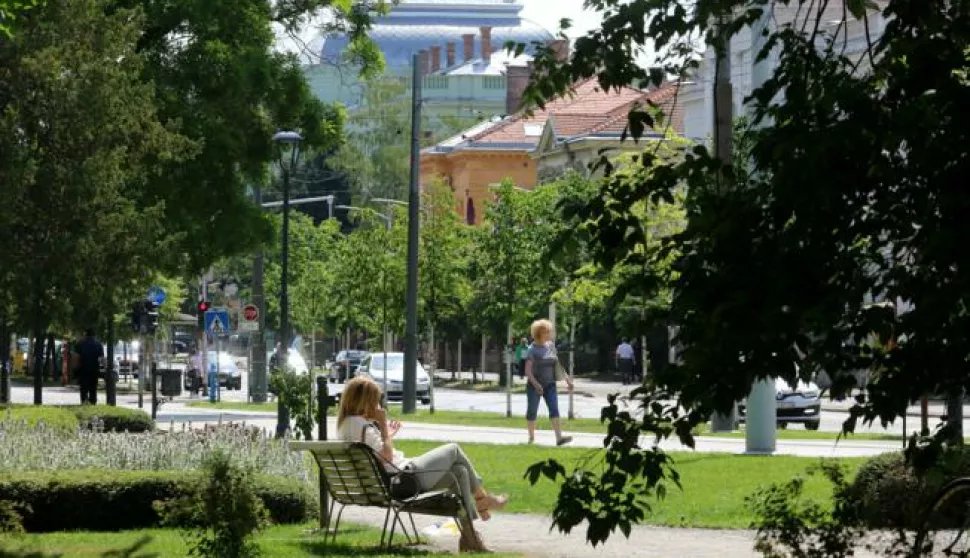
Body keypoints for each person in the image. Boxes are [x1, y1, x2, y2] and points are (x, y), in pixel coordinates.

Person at [338, 376, 507, 552]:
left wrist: (384, 433)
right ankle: (482, 498)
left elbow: (377, 455)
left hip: (393, 482)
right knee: (454, 449)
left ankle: (469, 538)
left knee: (460, 472)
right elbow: (387, 455)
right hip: (404, 480)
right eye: (375, 401)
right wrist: (383, 425)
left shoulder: (348, 425)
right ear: (364, 401)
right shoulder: (360, 424)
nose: (379, 406)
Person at [524, 319, 573, 446]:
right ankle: (531, 438)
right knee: (532, 411)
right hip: (535, 385)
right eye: (546, 332)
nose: (549, 334)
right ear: (538, 333)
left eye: (549, 331)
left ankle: (559, 438)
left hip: (550, 384)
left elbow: (558, 365)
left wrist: (568, 380)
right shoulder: (531, 350)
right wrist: (536, 384)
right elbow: (528, 371)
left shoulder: (551, 346)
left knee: (554, 409)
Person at [72, 329, 104, 405]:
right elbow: (102, 359)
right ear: (94, 335)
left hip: (83, 369)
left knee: (83, 389)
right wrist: (104, 368)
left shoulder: (80, 344)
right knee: (93, 389)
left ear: (85, 334)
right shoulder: (98, 344)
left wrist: (75, 368)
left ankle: (84, 403)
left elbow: (76, 357)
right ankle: (93, 403)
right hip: (94, 369)